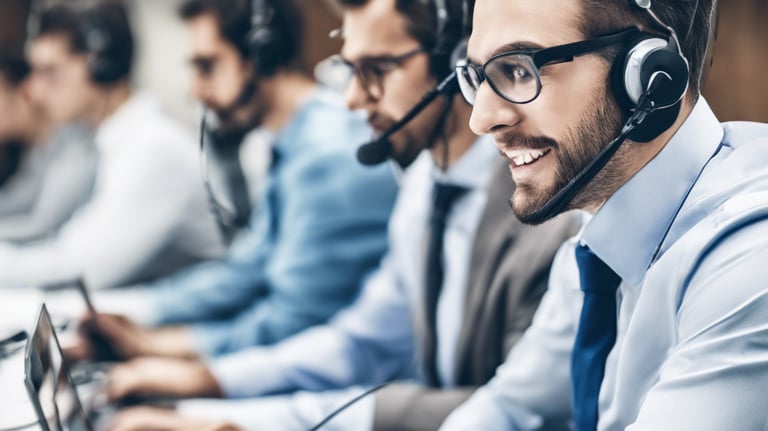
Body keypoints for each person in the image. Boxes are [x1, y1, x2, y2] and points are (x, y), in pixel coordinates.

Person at [100, 0, 579, 429]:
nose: (351, 99)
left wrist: (227, 416)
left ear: (454, 65)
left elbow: (518, 409)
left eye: (377, 69)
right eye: (349, 69)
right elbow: (362, 342)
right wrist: (212, 393)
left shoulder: (547, 205)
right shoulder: (422, 187)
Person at [435, 0, 768, 429]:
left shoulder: (751, 264)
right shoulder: (595, 245)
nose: (481, 119)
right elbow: (509, 408)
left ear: (650, 75)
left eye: (519, 70)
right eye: (478, 77)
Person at [71, 0, 399, 359]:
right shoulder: (291, 142)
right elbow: (244, 272)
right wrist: (141, 311)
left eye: (207, 66)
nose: (194, 90)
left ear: (261, 55)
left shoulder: (326, 155)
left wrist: (154, 346)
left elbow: (293, 323)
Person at [0, 1, 225, 289]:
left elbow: (78, 269)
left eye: (50, 72)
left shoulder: (152, 150)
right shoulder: (108, 144)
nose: (33, 90)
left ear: (101, 67)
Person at [0, 53, 96, 243]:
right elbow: (17, 200)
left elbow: (42, 225)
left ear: (25, 93)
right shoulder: (32, 150)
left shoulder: (73, 143)